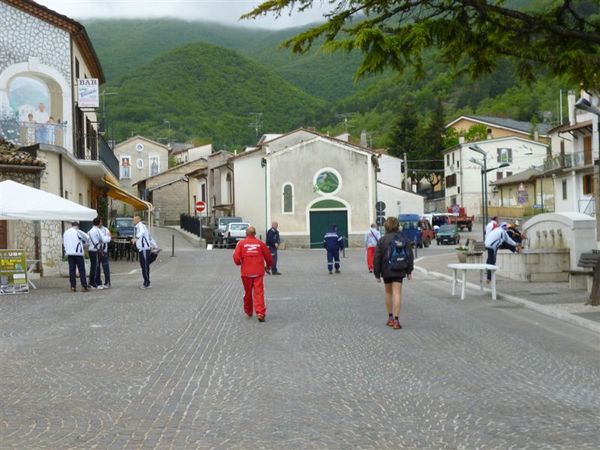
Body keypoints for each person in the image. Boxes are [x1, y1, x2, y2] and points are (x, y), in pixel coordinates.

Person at [373, 216, 414, 330]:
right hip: (400, 268)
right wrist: (409, 271)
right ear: (397, 226)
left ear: (386, 227)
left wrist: (377, 274)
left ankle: (390, 318)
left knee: (388, 292)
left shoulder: (382, 240)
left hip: (386, 269)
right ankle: (396, 320)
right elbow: (410, 255)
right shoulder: (404, 239)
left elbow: (377, 258)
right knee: (397, 293)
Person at [233, 226, 273, 322]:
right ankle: (260, 312)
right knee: (259, 292)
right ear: (255, 234)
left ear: (246, 234)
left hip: (246, 273)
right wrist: (268, 266)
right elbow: (268, 256)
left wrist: (239, 263)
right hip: (258, 272)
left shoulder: (241, 244)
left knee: (247, 293)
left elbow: (236, 258)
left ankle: (248, 310)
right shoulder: (260, 244)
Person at [63, 221, 89, 292]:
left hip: (70, 254)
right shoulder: (77, 231)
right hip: (78, 253)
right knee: (81, 270)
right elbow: (87, 237)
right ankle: (84, 286)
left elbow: (64, 243)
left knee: (72, 270)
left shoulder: (66, 232)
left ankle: (73, 287)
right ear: (78, 226)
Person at [132, 215, 152, 289]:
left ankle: (146, 283)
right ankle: (146, 281)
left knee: (145, 266)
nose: (133, 221)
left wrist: (135, 239)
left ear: (138, 220)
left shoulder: (141, 226)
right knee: (143, 265)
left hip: (144, 249)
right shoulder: (139, 227)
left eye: (134, 220)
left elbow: (143, 232)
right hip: (142, 249)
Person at [87, 218, 106, 289]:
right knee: (95, 267)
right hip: (95, 250)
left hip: (90, 250)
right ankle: (93, 283)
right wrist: (109, 237)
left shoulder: (89, 231)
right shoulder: (98, 230)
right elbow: (104, 239)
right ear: (99, 223)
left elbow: (86, 242)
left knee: (93, 266)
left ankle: (91, 282)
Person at [98, 218, 112, 288]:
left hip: (104, 251)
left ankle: (107, 282)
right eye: (98, 222)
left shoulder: (105, 230)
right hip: (96, 251)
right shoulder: (94, 230)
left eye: (100, 222)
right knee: (97, 268)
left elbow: (109, 239)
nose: (99, 223)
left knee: (105, 267)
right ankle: (98, 282)